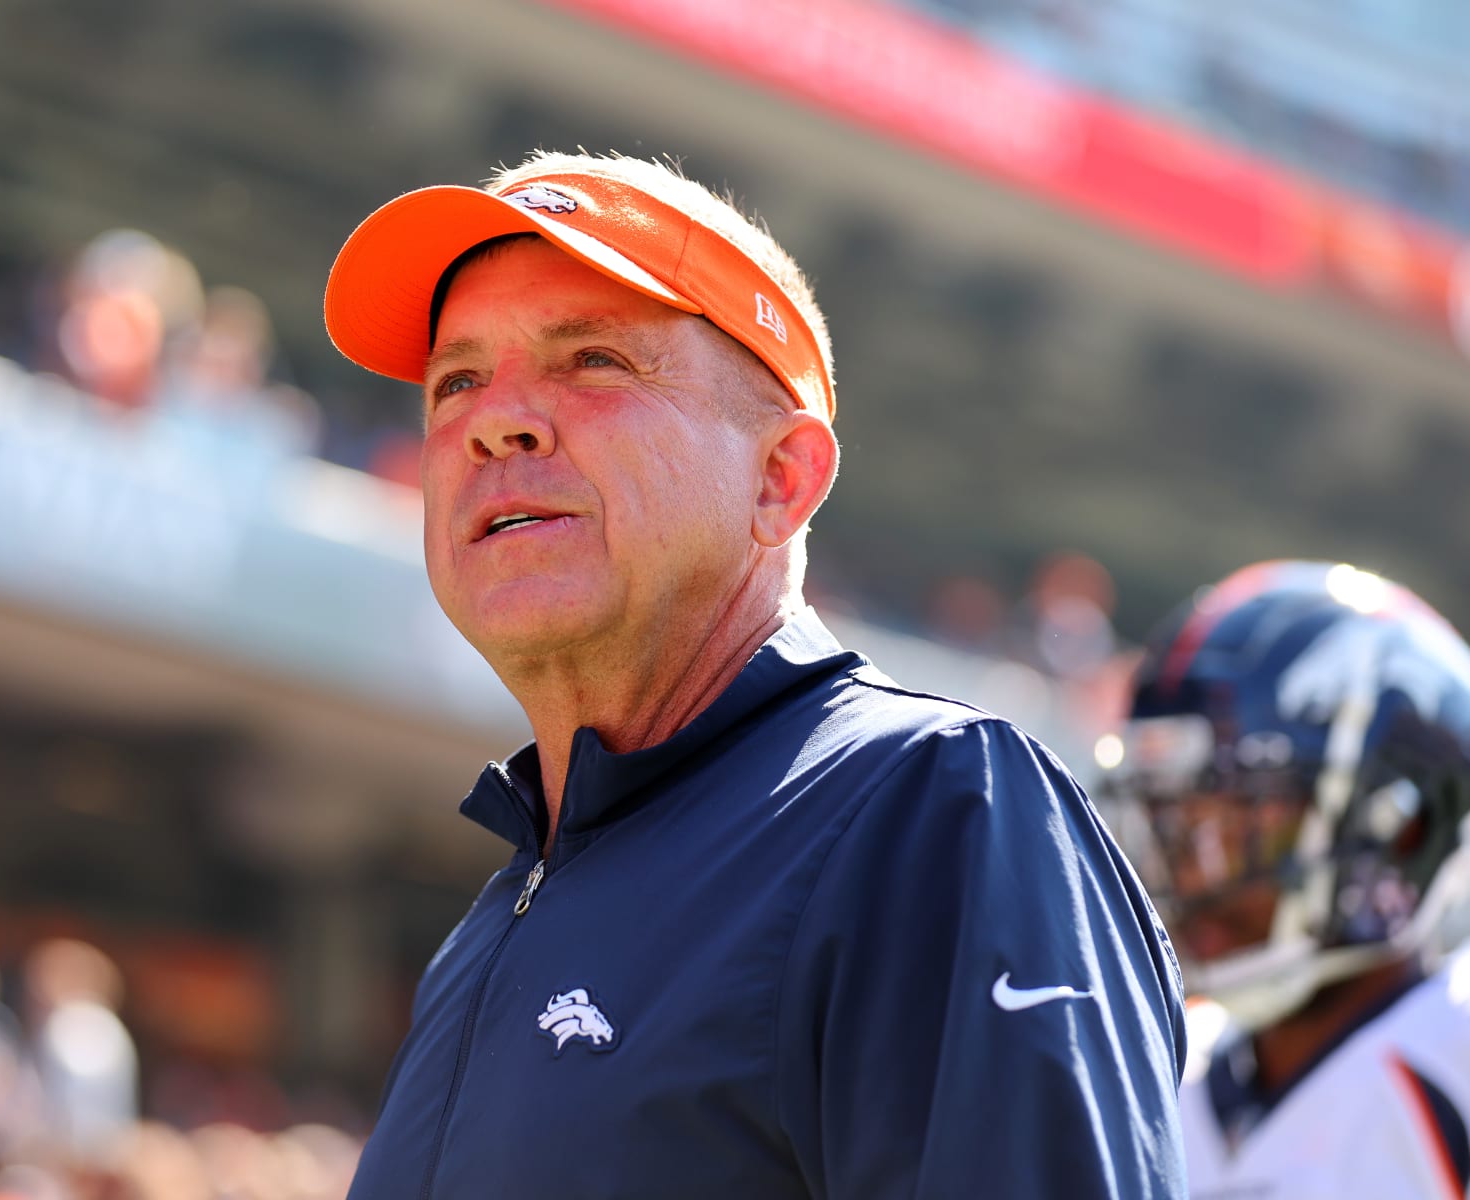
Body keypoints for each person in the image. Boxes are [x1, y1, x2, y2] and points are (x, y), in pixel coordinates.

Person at [321, 150, 1186, 1197]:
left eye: (593, 360)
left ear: (783, 478)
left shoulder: (931, 808)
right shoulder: (486, 931)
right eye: (456, 380)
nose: (497, 420)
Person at [1097, 559, 1470, 1197]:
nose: (1188, 875)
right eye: (1173, 826)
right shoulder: (1159, 1068)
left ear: (1400, 829)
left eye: (1236, 829)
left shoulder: (1452, 1057)